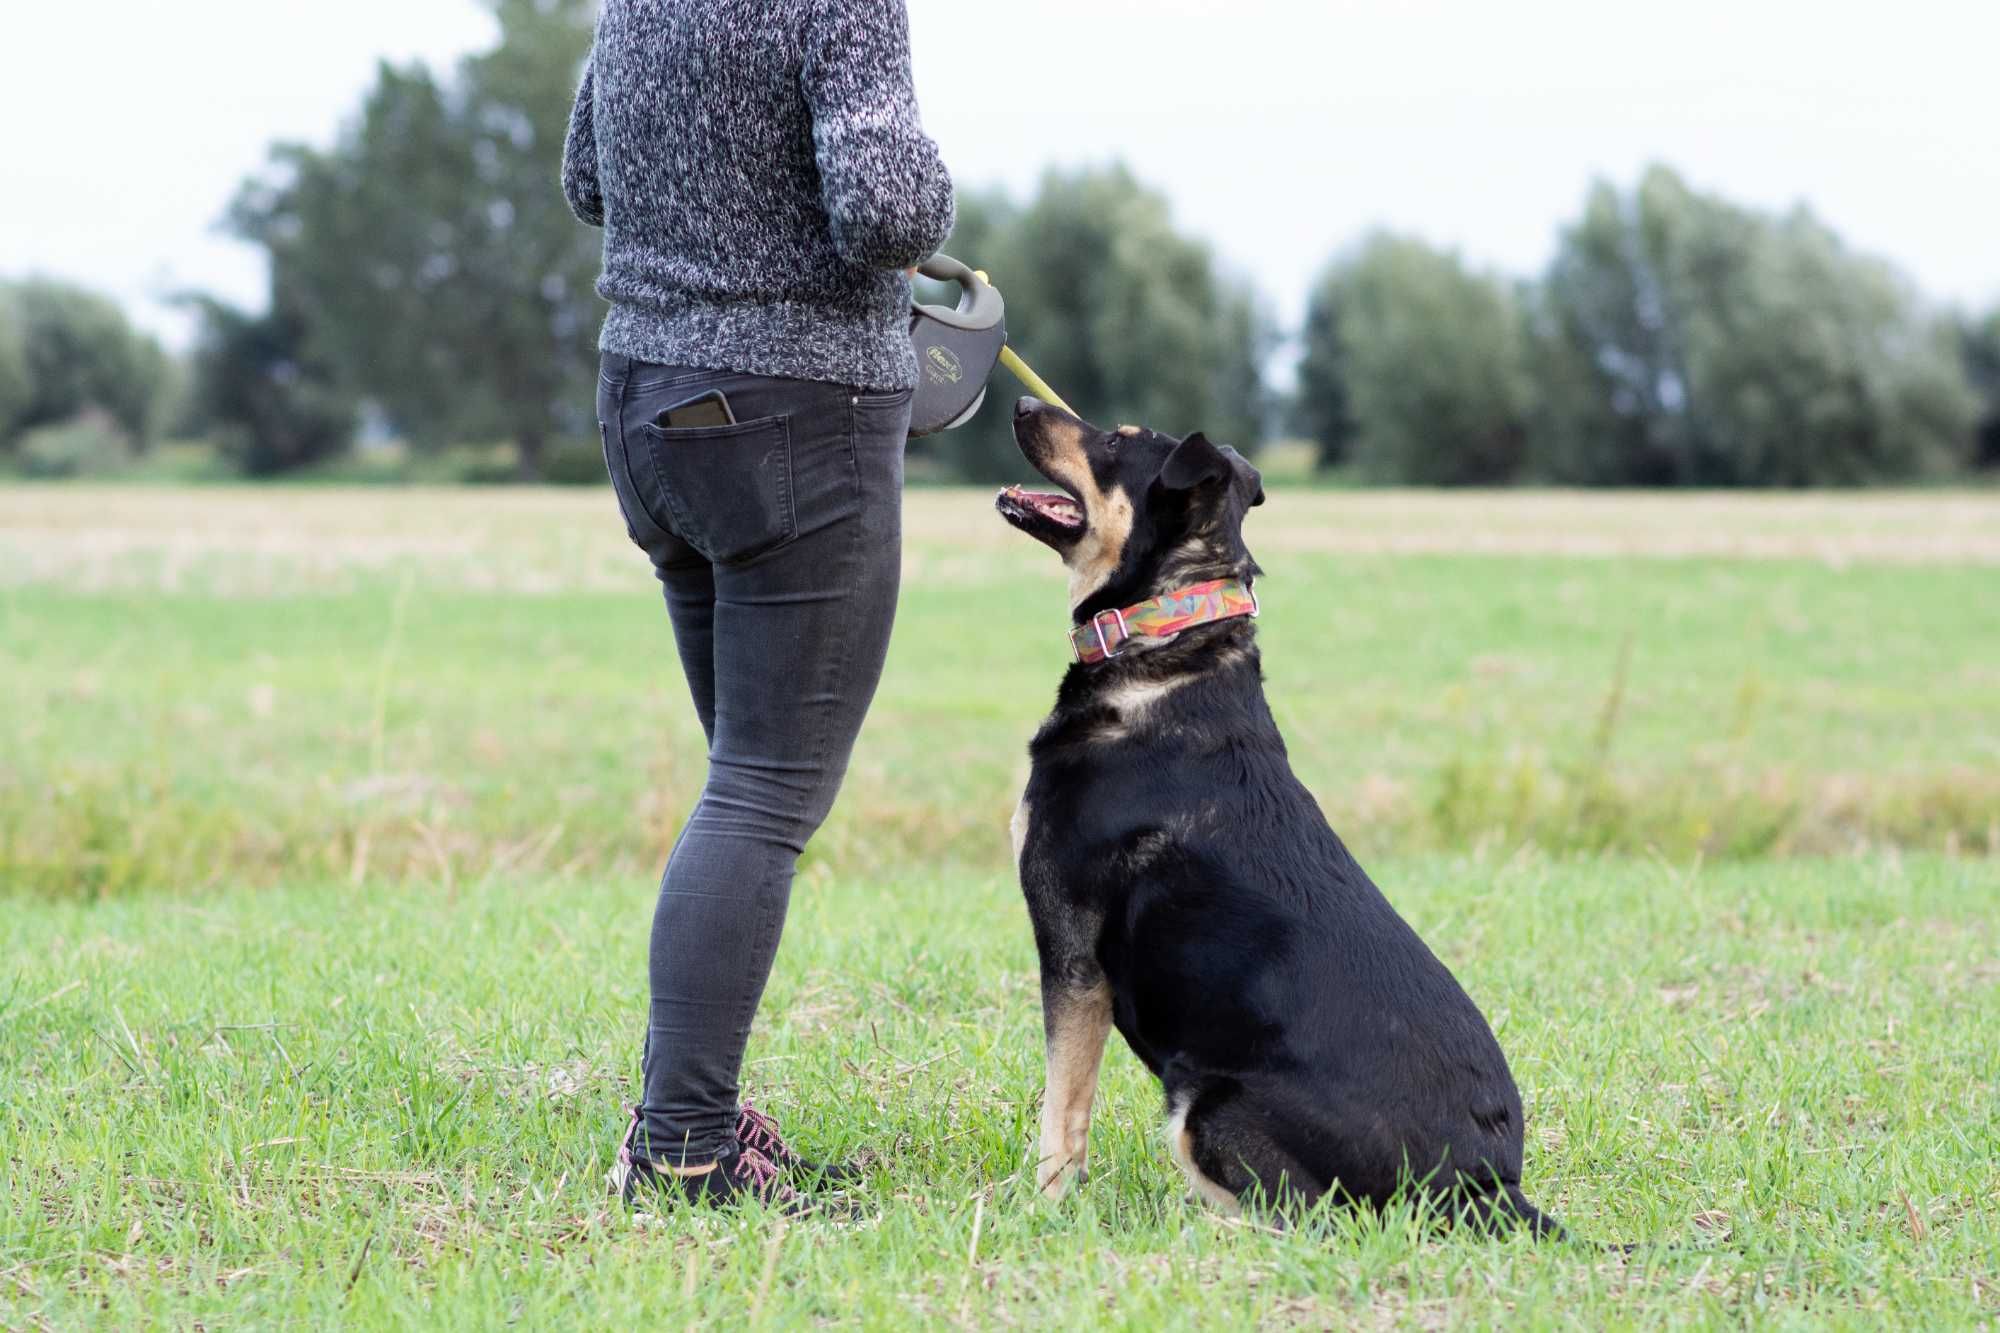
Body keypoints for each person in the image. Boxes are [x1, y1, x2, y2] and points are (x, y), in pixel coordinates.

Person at [561, 0, 953, 1207]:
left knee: (743, 780)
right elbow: (884, 208)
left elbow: (587, 180)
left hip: (648, 405)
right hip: (792, 412)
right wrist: (937, 198)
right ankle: (682, 1151)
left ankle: (690, 1119)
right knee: (762, 793)